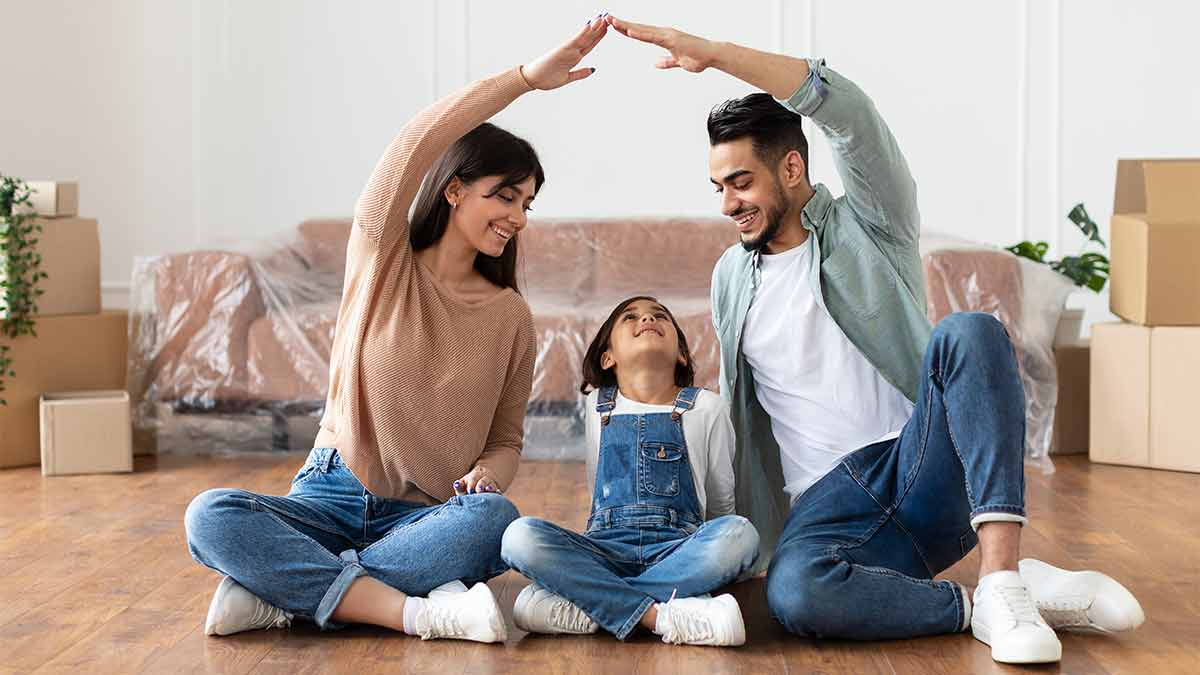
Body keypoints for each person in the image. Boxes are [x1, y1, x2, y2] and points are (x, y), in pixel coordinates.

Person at [607, 15, 1144, 664]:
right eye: (718, 187)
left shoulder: (872, 223)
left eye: (741, 182)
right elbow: (743, 422)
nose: (727, 203)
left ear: (793, 167)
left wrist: (717, 55)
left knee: (970, 331)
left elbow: (851, 114)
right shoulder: (730, 278)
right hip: (827, 509)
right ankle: (989, 603)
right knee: (796, 594)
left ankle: (1002, 572)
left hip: (918, 464)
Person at [183, 16, 612, 644]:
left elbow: (506, 439)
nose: (519, 217)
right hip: (328, 498)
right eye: (506, 196)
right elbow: (415, 142)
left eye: (528, 204)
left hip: (426, 520)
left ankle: (286, 594)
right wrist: (522, 81)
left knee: (493, 519)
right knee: (210, 516)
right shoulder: (381, 259)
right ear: (455, 190)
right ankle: (406, 610)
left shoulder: (509, 316)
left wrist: (491, 472)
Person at [501, 296, 759, 646]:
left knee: (740, 534)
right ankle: (659, 615)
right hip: (604, 552)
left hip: (676, 550)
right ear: (608, 357)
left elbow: (721, 503)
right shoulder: (596, 406)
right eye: (631, 317)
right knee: (519, 536)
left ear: (681, 354)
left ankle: (590, 604)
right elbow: (597, 494)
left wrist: (721, 558)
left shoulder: (707, 407)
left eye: (659, 316)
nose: (647, 319)